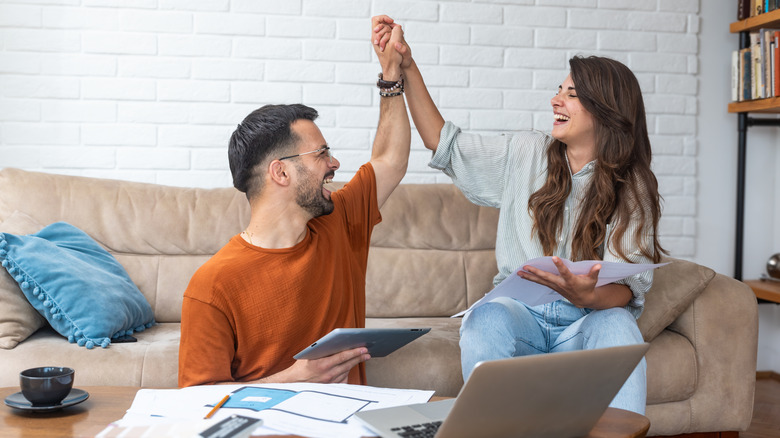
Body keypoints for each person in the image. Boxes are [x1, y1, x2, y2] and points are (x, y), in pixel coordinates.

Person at [372, 16, 665, 414]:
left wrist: (588, 295)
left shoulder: (633, 186)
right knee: (486, 317)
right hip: (520, 314)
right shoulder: (526, 152)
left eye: (571, 94)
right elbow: (442, 142)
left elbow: (629, 288)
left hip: (585, 322)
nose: (555, 100)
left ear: (606, 110)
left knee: (619, 326)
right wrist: (408, 66)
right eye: (558, 91)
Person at [178, 20, 410, 387]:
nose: (334, 164)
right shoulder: (212, 286)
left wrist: (391, 74)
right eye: (321, 154)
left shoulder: (340, 221)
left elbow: (390, 160)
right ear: (281, 173)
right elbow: (197, 401)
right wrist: (295, 378)